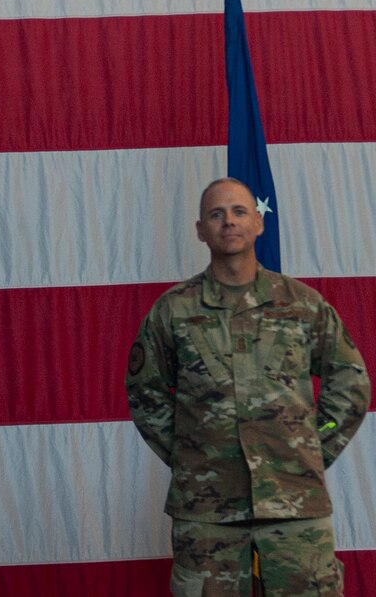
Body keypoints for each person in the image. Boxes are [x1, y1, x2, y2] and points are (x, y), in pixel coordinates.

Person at [126, 177, 370, 596]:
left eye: (239, 212)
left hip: (294, 505)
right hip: (206, 509)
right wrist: (192, 457)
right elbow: (144, 392)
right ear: (200, 230)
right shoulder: (174, 310)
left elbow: (350, 381)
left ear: (258, 223)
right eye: (216, 214)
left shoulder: (302, 304)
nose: (229, 222)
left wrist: (313, 444)